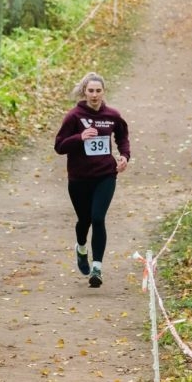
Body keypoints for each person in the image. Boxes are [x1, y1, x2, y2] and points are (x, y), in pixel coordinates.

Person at [53, 72, 130, 287]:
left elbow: (122, 137)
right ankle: (81, 247)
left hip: (105, 175)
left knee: (98, 218)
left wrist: (124, 156)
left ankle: (97, 267)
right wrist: (80, 137)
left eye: (98, 91)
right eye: (90, 91)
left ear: (103, 92)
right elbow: (59, 146)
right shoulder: (74, 116)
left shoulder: (112, 115)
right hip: (79, 178)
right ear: (84, 92)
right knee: (84, 220)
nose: (94, 95)